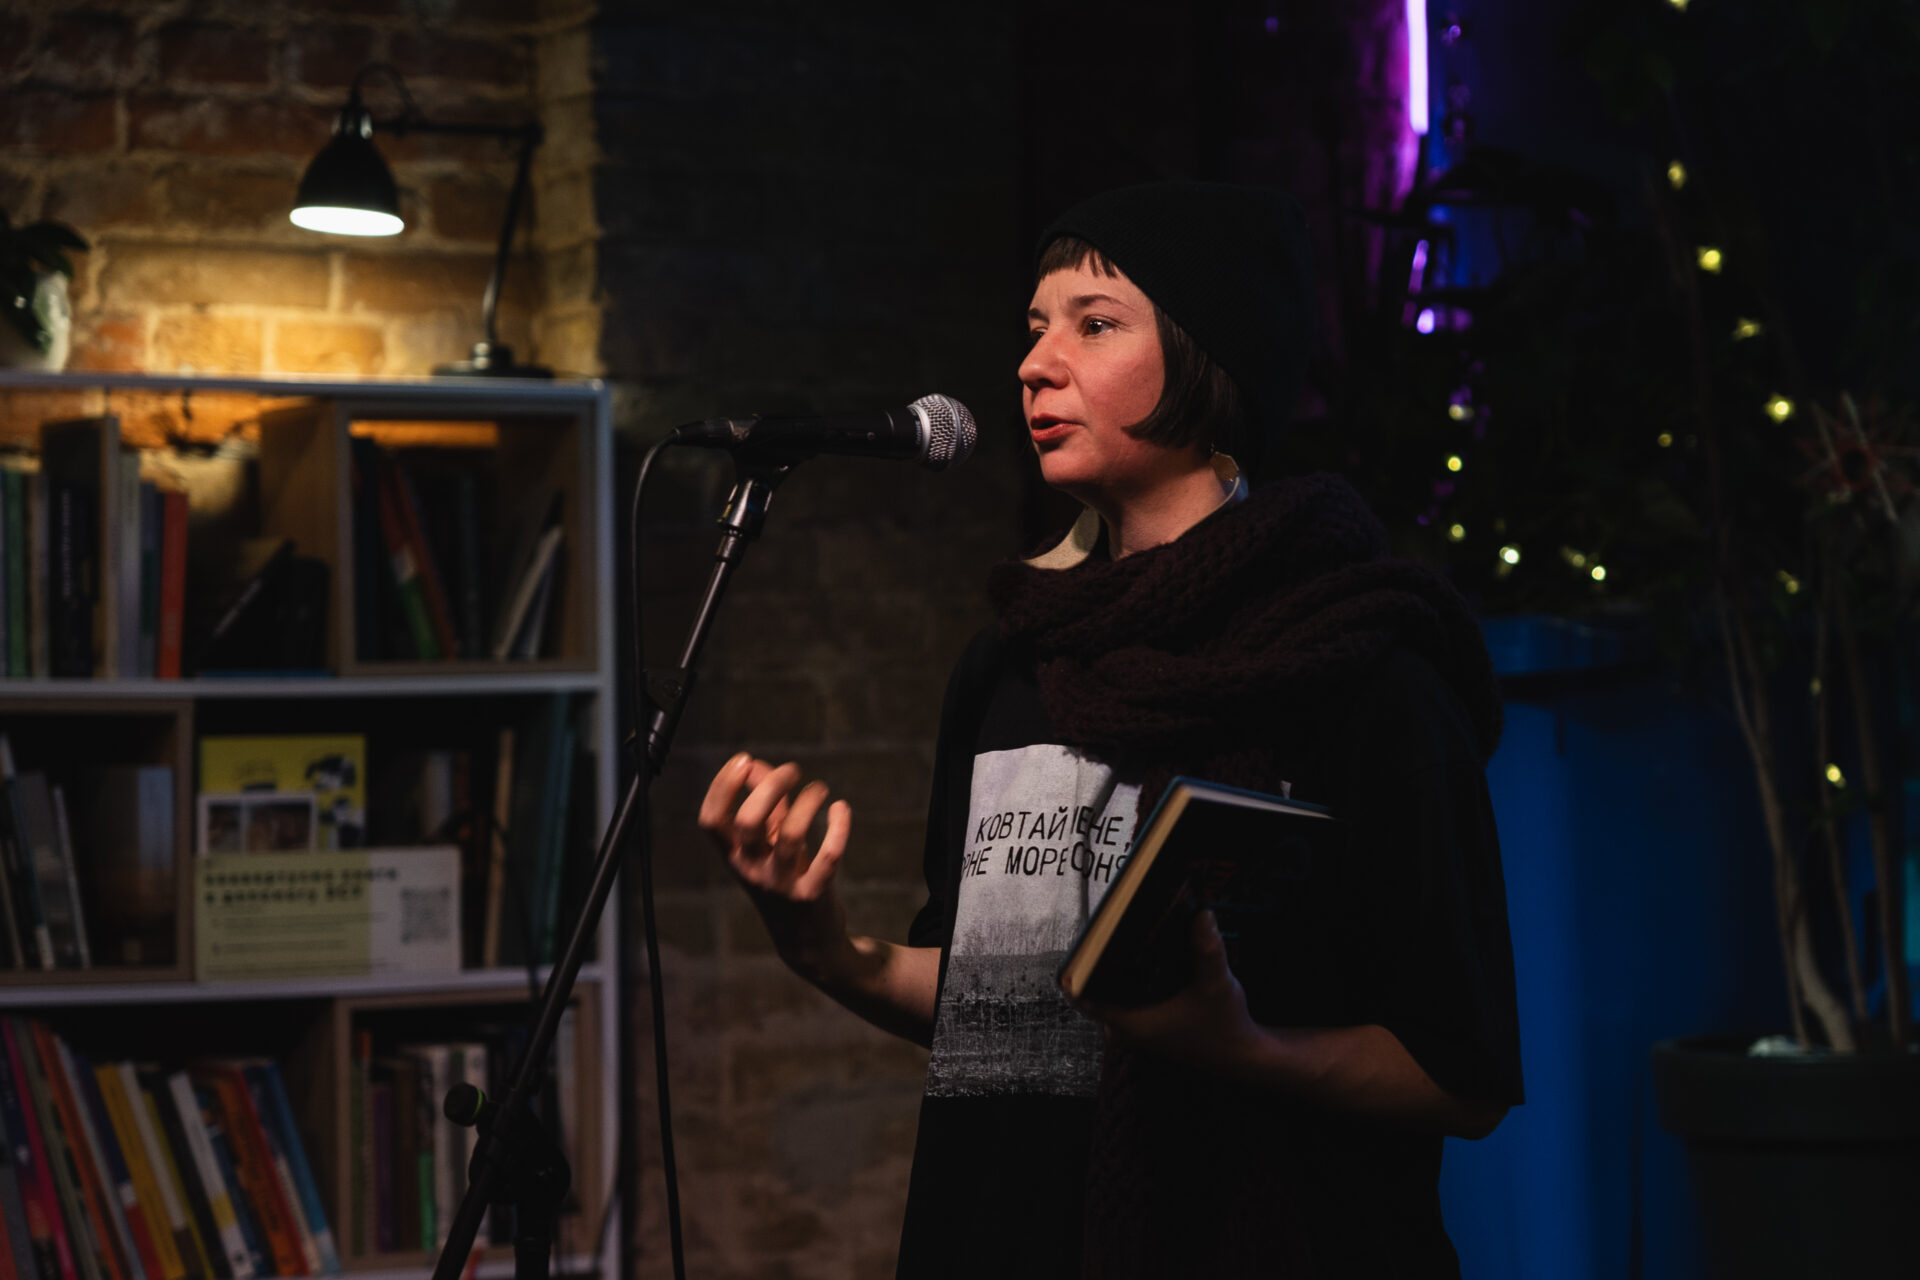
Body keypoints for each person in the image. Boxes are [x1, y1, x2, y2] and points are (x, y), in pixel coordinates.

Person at [699, 181, 1523, 1278]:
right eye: (1035, 327)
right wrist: (827, 952)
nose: (1036, 364)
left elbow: (1462, 1078)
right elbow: (999, 1013)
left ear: (1207, 360)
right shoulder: (1013, 661)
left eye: (1094, 324)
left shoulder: (1358, 667)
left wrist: (1242, 1048)